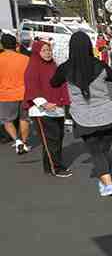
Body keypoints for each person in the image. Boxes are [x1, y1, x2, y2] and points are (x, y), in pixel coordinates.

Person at [51, 30, 112, 197]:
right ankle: (104, 178)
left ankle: (108, 183)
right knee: (103, 151)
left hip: (82, 116)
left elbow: (54, 83)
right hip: (107, 113)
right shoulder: (100, 65)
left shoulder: (65, 68)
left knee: (96, 152)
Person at [23, 39, 72, 177]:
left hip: (57, 109)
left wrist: (64, 101)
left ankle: (49, 166)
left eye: (49, 50)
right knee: (52, 140)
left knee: (56, 138)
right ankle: (56, 168)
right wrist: (44, 103)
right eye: (44, 50)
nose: (47, 53)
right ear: (37, 52)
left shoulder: (53, 66)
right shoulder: (33, 66)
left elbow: (61, 84)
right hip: (41, 110)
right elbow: (31, 87)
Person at [0, 33, 31, 154]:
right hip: (24, 93)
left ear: (2, 45)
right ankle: (23, 142)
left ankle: (17, 141)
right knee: (24, 119)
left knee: (7, 120)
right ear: (16, 45)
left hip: (5, 94)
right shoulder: (25, 59)